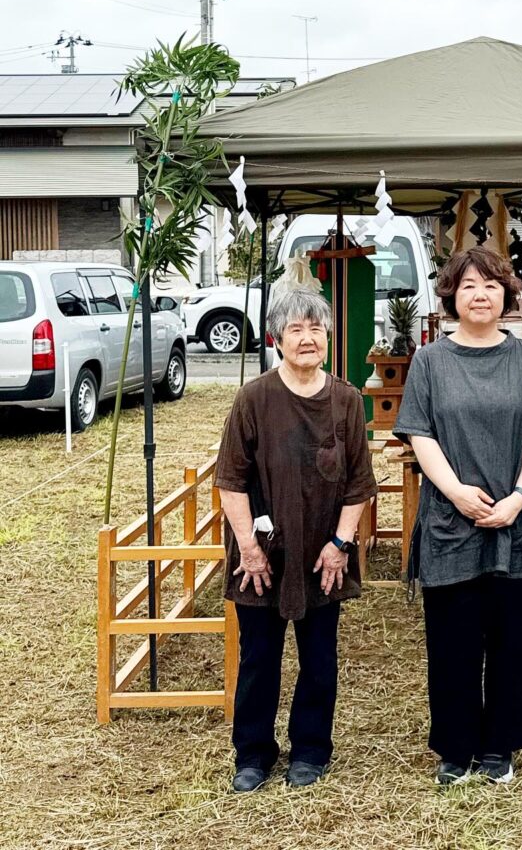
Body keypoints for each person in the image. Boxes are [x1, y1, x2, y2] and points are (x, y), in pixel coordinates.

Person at [394, 246, 522, 786]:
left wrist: (519, 496)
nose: (479, 294)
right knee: (452, 639)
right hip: (449, 517)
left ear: (506, 294)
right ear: (451, 297)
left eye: (489, 284)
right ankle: (456, 747)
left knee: (511, 638)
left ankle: (499, 745)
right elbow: (420, 432)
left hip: (514, 516)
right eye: (467, 286)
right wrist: (457, 491)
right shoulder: (430, 361)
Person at [215, 286, 377, 793]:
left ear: (328, 335)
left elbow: (358, 484)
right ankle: (254, 754)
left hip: (324, 550)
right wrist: (249, 548)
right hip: (260, 550)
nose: (307, 339)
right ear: (276, 339)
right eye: (296, 330)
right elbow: (230, 480)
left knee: (319, 656)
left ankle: (310, 750)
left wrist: (341, 544)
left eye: (316, 328)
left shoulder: (347, 400)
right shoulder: (254, 398)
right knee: (259, 657)